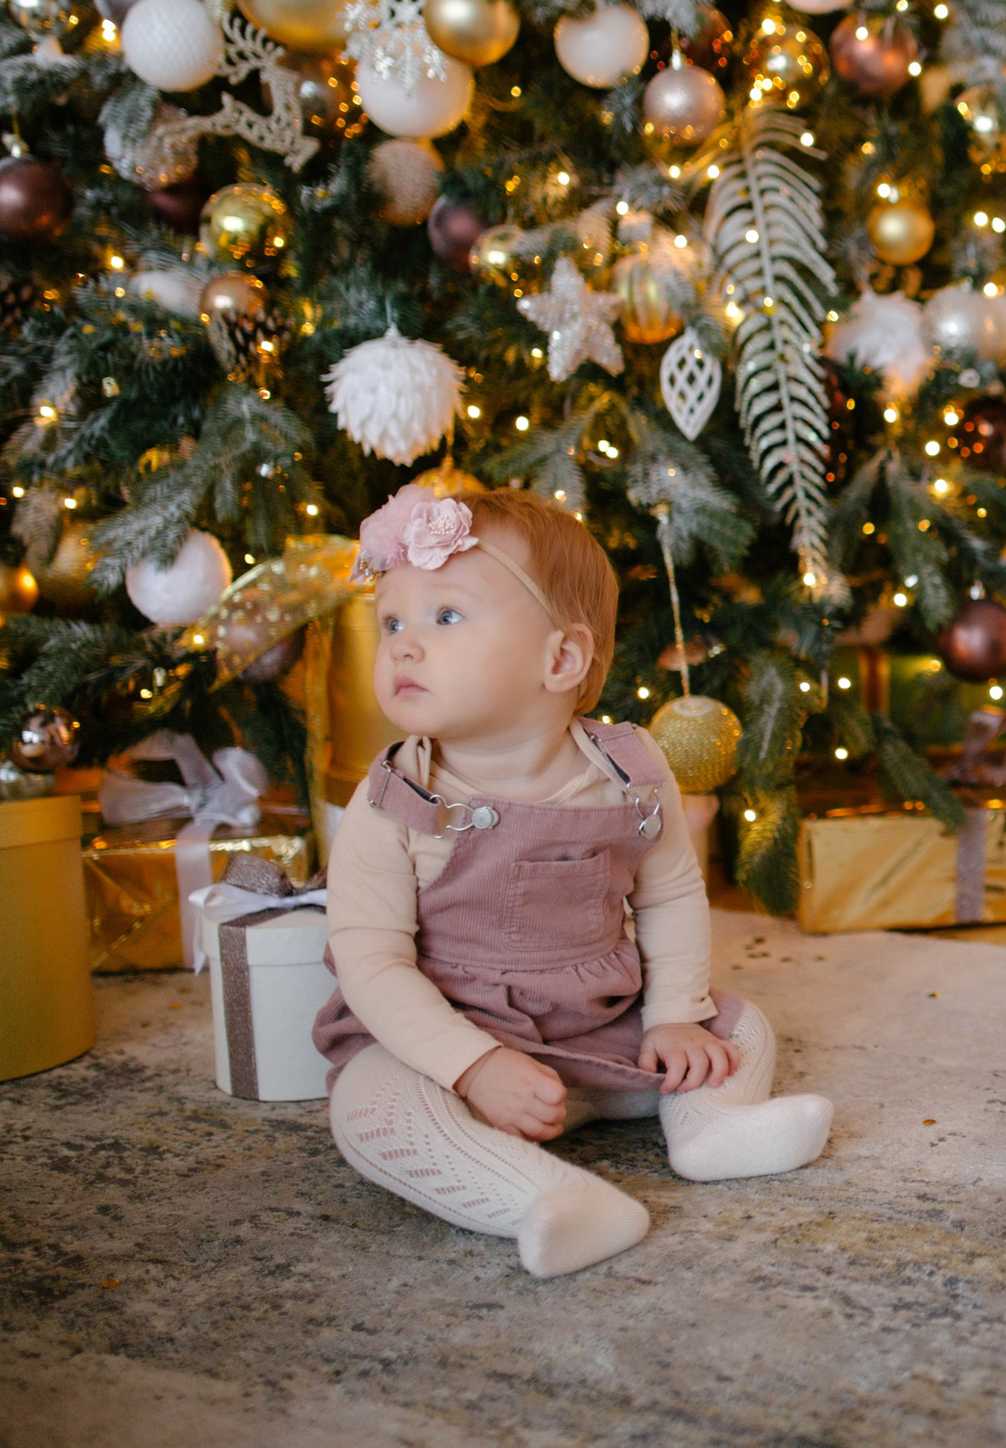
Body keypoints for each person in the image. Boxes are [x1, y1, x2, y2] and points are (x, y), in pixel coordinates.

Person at [312, 483, 830, 1277]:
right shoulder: (395, 799)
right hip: (448, 1037)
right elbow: (370, 960)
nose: (404, 646)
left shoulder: (629, 770)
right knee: (370, 1105)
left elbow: (669, 895)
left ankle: (713, 1127)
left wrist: (674, 1016)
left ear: (561, 658)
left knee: (739, 1027)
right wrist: (473, 1065)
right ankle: (543, 1196)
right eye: (393, 622)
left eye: (445, 616)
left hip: (599, 1025)